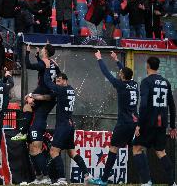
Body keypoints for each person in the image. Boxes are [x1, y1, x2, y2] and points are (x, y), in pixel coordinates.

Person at [89, 50, 139, 186]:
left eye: (120, 73)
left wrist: (99, 59)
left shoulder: (120, 85)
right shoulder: (135, 85)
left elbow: (106, 73)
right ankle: (146, 179)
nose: (119, 73)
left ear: (122, 76)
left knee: (113, 148)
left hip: (123, 123)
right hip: (134, 123)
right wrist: (116, 60)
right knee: (137, 150)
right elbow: (126, 72)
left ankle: (104, 179)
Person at [40, 59, 92, 185]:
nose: (57, 83)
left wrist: (47, 67)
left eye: (59, 81)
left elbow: (47, 82)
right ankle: (86, 175)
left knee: (53, 151)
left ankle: (62, 179)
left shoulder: (61, 90)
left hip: (63, 125)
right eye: (56, 81)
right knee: (71, 152)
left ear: (64, 80)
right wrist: (57, 68)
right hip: (69, 124)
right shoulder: (71, 89)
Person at [132, 57, 176, 186]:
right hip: (161, 123)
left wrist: (139, 125)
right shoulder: (166, 82)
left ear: (148, 66)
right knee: (161, 152)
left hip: (149, 122)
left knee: (136, 148)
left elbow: (144, 105)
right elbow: (172, 106)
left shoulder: (146, 82)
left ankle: (146, 181)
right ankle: (172, 182)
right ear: (157, 67)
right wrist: (172, 126)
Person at [25, 43, 60, 184]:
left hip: (43, 97)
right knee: (32, 148)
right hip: (49, 95)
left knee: (36, 148)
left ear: (45, 51)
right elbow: (53, 72)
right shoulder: (53, 64)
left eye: (42, 50)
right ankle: (40, 176)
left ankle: (45, 176)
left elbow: (28, 65)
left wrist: (28, 53)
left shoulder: (44, 64)